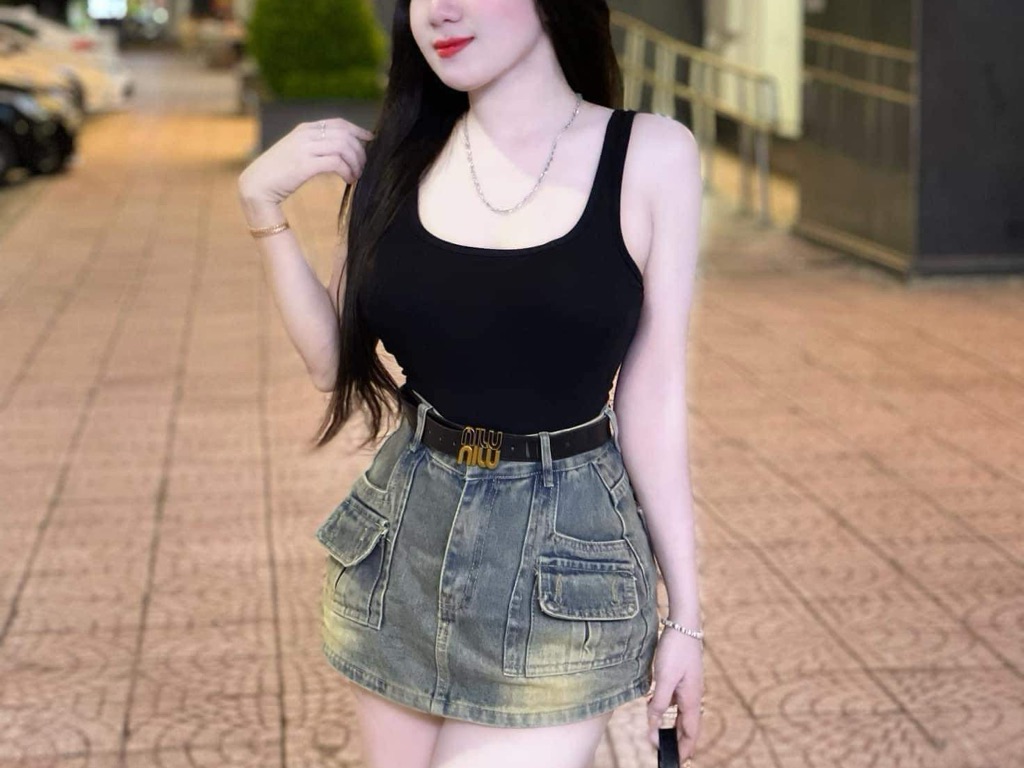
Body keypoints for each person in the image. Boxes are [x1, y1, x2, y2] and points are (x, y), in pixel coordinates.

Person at [237, 0, 704, 766]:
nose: (441, 10)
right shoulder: (401, 155)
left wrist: (685, 617)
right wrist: (263, 207)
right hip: (402, 541)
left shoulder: (650, 155)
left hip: (564, 557)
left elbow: (652, 398)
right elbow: (330, 361)